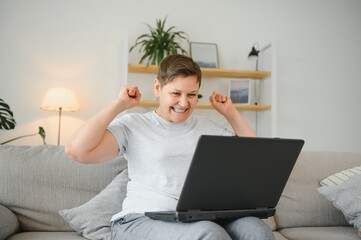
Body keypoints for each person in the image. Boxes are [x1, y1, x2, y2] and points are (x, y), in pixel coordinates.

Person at [65, 54, 275, 240]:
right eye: (176, 93)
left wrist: (230, 112)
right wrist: (119, 105)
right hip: (138, 221)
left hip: (196, 218)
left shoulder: (204, 126)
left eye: (192, 95)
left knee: (257, 231)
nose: (184, 103)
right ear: (158, 88)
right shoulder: (134, 125)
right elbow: (77, 151)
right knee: (209, 234)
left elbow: (252, 153)